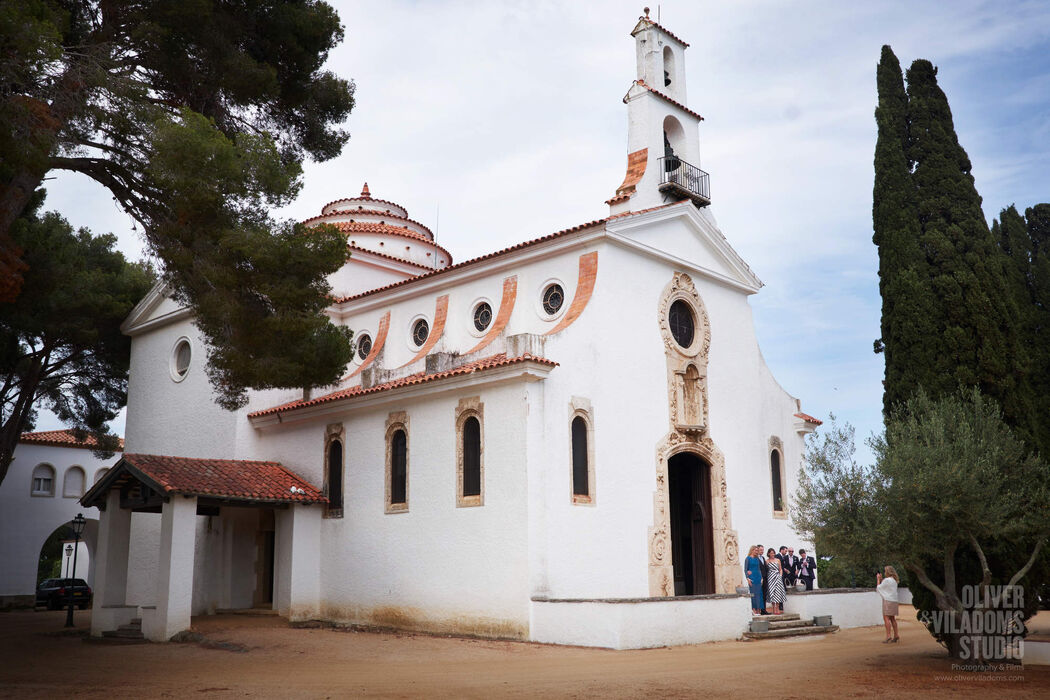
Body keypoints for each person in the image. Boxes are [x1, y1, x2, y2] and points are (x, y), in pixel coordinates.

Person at [877, 565, 900, 643]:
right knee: (892, 618)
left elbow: (879, 587)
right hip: (894, 600)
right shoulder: (894, 580)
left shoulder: (887, 580)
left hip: (887, 600)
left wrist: (878, 579)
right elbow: (887, 586)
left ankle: (888, 636)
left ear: (887, 572)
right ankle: (896, 635)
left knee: (886, 618)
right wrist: (881, 579)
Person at [744, 546, 765, 615]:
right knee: (753, 594)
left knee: (759, 594)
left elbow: (759, 569)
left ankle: (759, 609)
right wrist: (748, 578)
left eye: (757, 550)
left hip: (758, 577)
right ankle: (754, 609)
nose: (757, 552)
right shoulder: (748, 558)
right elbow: (745, 569)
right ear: (752, 550)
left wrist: (761, 578)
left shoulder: (757, 559)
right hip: (752, 578)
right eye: (756, 550)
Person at [765, 547, 786, 615]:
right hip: (770, 578)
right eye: (771, 553)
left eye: (773, 553)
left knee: (778, 592)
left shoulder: (778, 560)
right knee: (772, 593)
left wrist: (780, 575)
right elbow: (766, 570)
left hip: (777, 577)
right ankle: (773, 608)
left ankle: (777, 608)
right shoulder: (767, 561)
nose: (772, 554)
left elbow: (780, 569)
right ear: (769, 554)